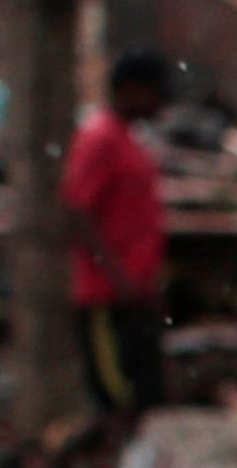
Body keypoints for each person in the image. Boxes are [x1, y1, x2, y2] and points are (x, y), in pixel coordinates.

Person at [64, 49, 175, 418]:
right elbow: (77, 213)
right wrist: (117, 276)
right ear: (131, 90)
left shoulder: (129, 140)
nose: (161, 103)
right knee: (116, 399)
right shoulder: (99, 138)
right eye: (156, 93)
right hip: (106, 296)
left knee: (148, 397)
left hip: (135, 296)